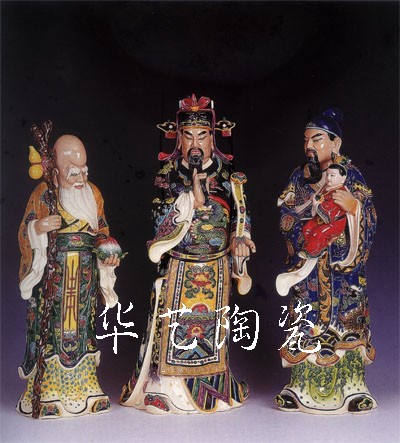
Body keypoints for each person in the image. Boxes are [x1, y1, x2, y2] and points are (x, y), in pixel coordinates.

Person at [120, 94, 256, 414]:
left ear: (213, 138)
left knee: (212, 330)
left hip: (216, 265)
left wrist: (241, 239)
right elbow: (158, 219)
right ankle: (164, 390)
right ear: (178, 138)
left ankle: (214, 387)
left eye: (202, 135)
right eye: (188, 136)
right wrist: (188, 201)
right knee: (171, 327)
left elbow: (241, 213)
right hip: (179, 264)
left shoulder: (228, 175)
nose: (195, 144)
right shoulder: (167, 175)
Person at [275, 108, 377, 414]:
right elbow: (286, 215)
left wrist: (354, 208)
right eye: (306, 140)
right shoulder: (299, 177)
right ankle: (299, 388)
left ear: (336, 143)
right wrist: (303, 223)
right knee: (305, 325)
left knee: (346, 325)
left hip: (341, 270)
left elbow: (370, 215)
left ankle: (353, 390)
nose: (309, 146)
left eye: (317, 139)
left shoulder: (351, 175)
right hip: (309, 268)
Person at [17, 134, 120, 419]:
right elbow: (24, 230)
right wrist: (38, 228)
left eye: (84, 171)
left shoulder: (93, 193)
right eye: (73, 172)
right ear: (54, 170)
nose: (80, 178)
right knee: (51, 331)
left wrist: (108, 250)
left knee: (84, 330)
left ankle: (86, 388)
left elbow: (102, 229)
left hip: (84, 276)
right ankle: (47, 390)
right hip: (54, 276)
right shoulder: (44, 193)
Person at [300, 163, 348, 258]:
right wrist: (315, 198)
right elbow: (320, 198)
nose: (328, 178)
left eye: (332, 175)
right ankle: (313, 246)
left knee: (318, 233)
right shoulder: (326, 188)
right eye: (327, 175)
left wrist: (317, 203)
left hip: (335, 222)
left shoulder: (340, 192)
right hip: (321, 218)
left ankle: (313, 252)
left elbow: (330, 208)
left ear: (343, 178)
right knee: (307, 228)